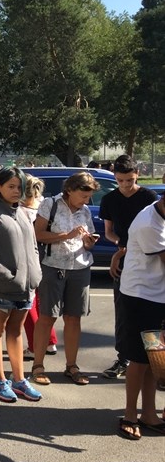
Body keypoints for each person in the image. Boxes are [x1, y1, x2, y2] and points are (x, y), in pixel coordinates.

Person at [0, 167, 43, 402]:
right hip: (1, 288)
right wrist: (8, 275)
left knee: (15, 333)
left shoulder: (23, 213)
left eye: (19, 186)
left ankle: (19, 380)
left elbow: (33, 246)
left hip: (27, 288)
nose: (16, 191)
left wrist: (35, 273)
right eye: (11, 186)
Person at [31, 172, 100, 386]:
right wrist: (66, 236)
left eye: (89, 197)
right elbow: (38, 234)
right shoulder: (50, 204)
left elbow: (87, 242)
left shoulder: (86, 211)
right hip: (52, 267)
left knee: (73, 318)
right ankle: (38, 366)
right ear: (69, 190)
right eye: (83, 196)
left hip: (80, 267)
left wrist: (89, 241)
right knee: (47, 317)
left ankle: (72, 366)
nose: (86, 201)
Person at [99, 155, 158, 380]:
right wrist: (121, 246)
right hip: (124, 259)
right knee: (124, 313)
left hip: (152, 260)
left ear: (137, 176)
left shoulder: (149, 197)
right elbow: (109, 231)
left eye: (130, 181)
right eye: (121, 180)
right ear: (115, 177)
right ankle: (123, 358)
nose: (125, 186)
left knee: (153, 314)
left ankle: (154, 361)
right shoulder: (110, 199)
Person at [117, 195, 165, 440]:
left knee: (154, 358)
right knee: (139, 359)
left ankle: (149, 414)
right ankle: (129, 415)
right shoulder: (150, 224)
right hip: (141, 298)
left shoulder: (159, 212)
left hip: (158, 296)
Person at [20, 174, 58, 359]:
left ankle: (35, 345)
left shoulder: (21, 211)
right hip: (48, 257)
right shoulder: (45, 205)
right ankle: (50, 341)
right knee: (44, 303)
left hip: (28, 258)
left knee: (28, 304)